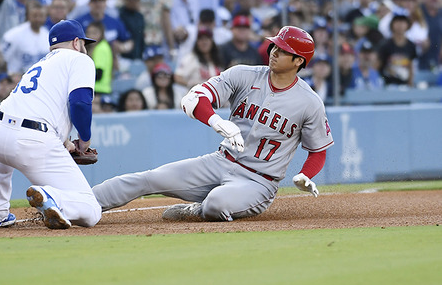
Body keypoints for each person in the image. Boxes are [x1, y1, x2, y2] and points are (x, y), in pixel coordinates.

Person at [92, 26, 334, 223]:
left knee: (217, 203)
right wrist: (217, 121)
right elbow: (194, 99)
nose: (274, 51)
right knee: (148, 179)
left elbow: (318, 150)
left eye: (282, 50)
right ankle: (82, 203)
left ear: (298, 61)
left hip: (258, 181)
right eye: (275, 46)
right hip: (220, 162)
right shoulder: (244, 75)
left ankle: (198, 210)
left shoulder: (309, 102)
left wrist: (305, 174)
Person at [0, 19, 101, 230]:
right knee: (92, 210)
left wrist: (65, 142)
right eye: (84, 44)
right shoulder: (79, 59)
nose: (85, 48)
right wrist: (84, 140)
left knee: (2, 149)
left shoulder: (40, 64)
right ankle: (51, 197)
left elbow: (34, 111)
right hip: (31, 141)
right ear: (76, 42)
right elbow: (80, 103)